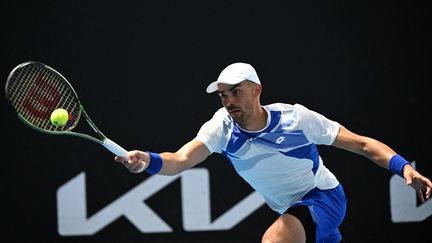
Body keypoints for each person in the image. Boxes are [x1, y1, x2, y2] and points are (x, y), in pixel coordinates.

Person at [115, 62, 432, 243]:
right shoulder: (221, 128)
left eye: (235, 92)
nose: (228, 102)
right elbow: (181, 160)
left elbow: (362, 144)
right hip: (295, 212)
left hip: (323, 198)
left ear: (257, 90)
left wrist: (404, 168)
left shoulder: (296, 119)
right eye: (223, 95)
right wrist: (149, 160)